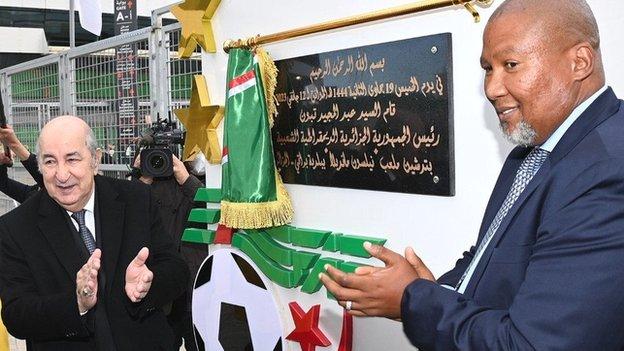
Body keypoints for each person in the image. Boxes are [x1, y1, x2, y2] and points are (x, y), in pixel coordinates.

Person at [320, 0, 624, 349]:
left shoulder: (609, 170)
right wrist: (433, 292)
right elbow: (493, 255)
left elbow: (531, 344)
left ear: (579, 62)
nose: (492, 88)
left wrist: (413, 300)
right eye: (488, 69)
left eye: (510, 65)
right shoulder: (531, 154)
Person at [0, 115, 189, 350]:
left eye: (72, 159)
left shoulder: (137, 199)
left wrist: (148, 286)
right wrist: (76, 303)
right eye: (50, 162)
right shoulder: (14, 228)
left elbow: (177, 270)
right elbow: (17, 315)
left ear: (95, 159)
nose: (61, 174)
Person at [132, 152, 206, 351]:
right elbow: (127, 213)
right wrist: (143, 175)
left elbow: (211, 209)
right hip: (160, 282)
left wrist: (186, 179)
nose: (161, 159)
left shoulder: (197, 180)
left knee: (198, 340)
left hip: (195, 280)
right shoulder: (142, 185)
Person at [0, 124, 43, 202]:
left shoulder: (58, 194)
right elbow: (3, 183)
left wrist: (15, 145)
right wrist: (1, 164)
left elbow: (44, 177)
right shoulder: (32, 195)